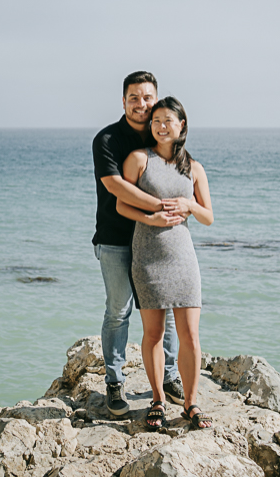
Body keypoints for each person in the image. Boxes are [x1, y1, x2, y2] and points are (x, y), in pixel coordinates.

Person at [116, 97, 214, 431]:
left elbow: (209, 217)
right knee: (153, 333)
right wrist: (152, 218)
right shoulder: (139, 159)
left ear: (182, 125)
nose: (160, 126)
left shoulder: (194, 168)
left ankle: (190, 403)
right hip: (147, 256)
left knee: (190, 335)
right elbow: (121, 205)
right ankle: (157, 399)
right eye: (155, 120)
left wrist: (189, 205)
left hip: (183, 257)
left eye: (168, 120)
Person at [92, 72, 186, 417]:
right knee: (119, 310)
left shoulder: (162, 132)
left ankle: (170, 375)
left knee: (168, 310)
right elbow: (116, 186)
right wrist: (160, 207)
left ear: (156, 98)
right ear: (123, 101)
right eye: (134, 98)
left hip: (159, 240)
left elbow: (182, 176)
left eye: (148, 97)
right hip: (116, 239)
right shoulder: (107, 139)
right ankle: (115, 382)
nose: (142, 104)